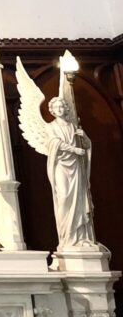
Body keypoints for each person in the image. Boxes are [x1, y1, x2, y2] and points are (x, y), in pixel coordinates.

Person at [46, 97, 95, 248]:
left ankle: (80, 237)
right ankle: (66, 236)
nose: (59, 109)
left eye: (61, 106)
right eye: (56, 107)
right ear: (52, 111)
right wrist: (74, 149)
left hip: (76, 166)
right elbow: (54, 143)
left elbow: (87, 145)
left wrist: (84, 136)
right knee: (64, 197)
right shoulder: (51, 127)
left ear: (66, 108)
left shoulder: (74, 126)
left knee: (79, 199)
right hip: (61, 165)